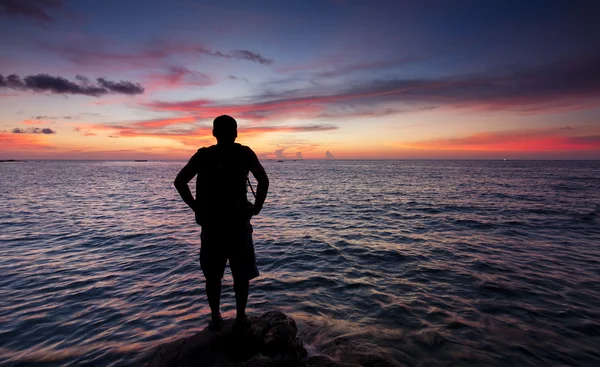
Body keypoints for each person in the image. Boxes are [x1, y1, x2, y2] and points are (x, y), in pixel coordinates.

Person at [174, 115, 269, 331]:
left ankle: (216, 318)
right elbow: (263, 180)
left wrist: (196, 206)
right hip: (238, 223)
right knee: (240, 274)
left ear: (214, 133)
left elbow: (180, 181)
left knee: (213, 275)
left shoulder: (203, 156)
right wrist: (257, 207)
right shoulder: (244, 153)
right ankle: (240, 318)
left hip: (212, 225)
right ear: (236, 133)